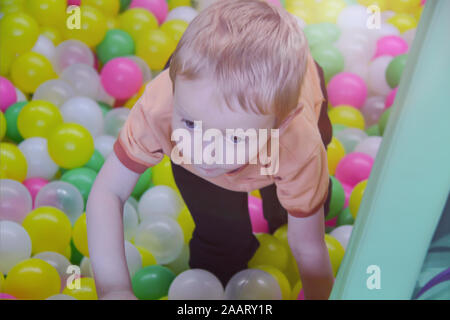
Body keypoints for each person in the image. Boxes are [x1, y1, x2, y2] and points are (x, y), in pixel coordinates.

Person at [86, 0, 334, 300]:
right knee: (221, 241)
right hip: (214, 153)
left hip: (287, 140)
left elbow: (308, 247)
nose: (205, 152)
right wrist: (114, 289)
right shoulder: (160, 108)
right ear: (176, 88)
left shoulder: (298, 145)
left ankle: (281, 210)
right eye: (190, 124)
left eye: (233, 138)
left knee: (299, 208)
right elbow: (107, 193)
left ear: (278, 126)